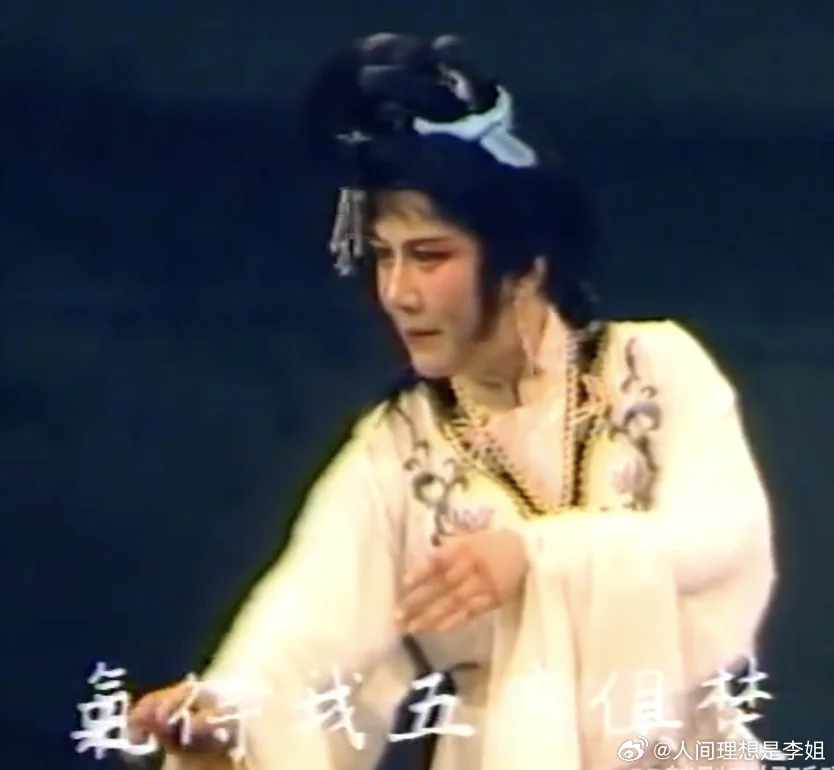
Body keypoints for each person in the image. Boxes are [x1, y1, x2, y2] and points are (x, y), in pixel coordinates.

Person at [127, 33, 777, 770]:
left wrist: (533, 556)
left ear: (526, 267)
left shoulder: (655, 368)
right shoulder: (401, 451)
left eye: (430, 256)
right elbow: (303, 633)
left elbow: (722, 537)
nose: (398, 293)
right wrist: (225, 722)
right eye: (384, 257)